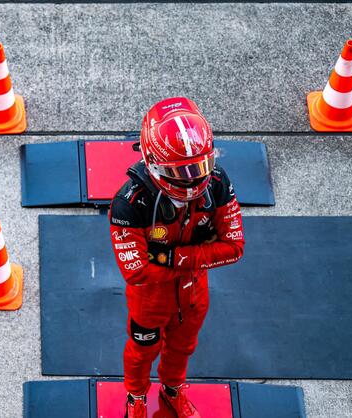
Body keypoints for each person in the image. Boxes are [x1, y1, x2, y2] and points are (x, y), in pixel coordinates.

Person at [108, 97, 245, 417]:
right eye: (181, 170)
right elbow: (137, 273)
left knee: (183, 348)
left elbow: (235, 248)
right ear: (153, 162)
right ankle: (136, 398)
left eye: (198, 167)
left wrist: (172, 258)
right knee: (142, 352)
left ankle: (172, 391)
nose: (193, 179)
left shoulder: (218, 182)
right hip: (150, 299)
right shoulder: (129, 203)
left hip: (194, 294)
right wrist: (202, 253)